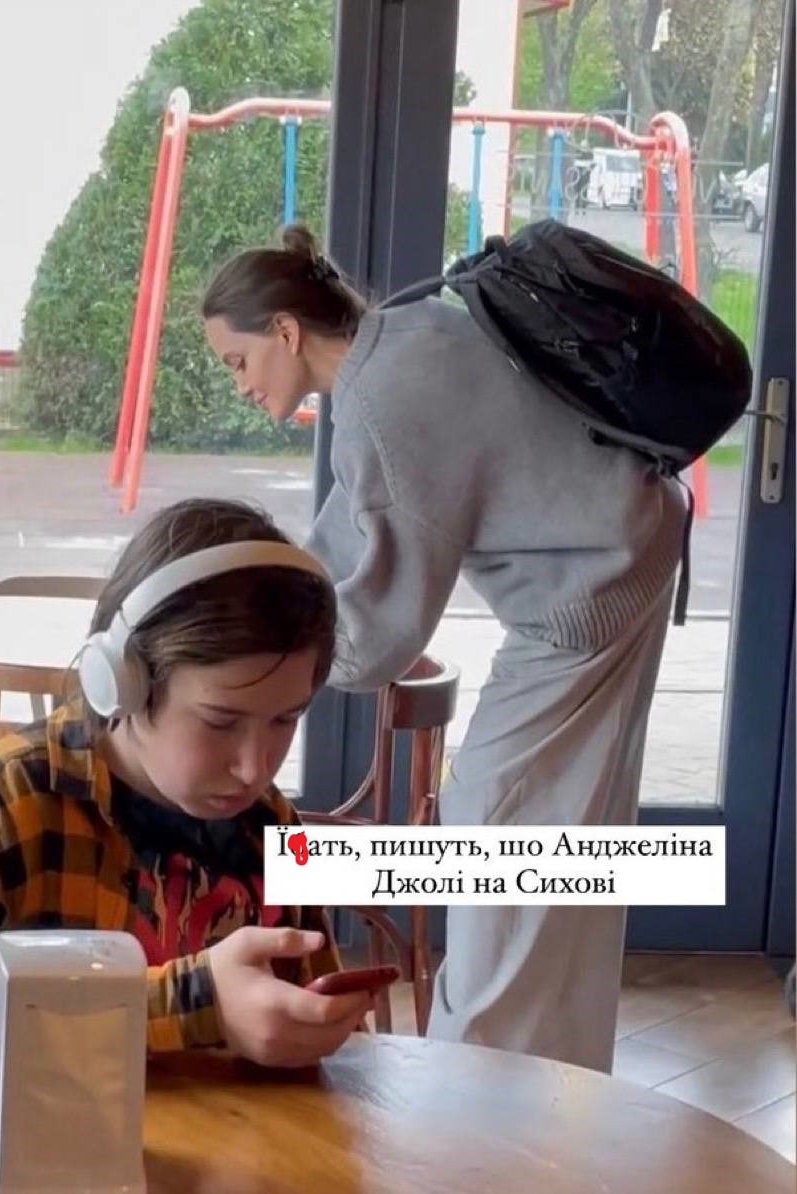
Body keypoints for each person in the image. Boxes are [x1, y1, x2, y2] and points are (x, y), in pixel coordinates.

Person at [201, 225, 688, 1074]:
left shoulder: (381, 406)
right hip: (625, 546)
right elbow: (350, 529)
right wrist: (276, 591)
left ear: (285, 330)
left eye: (238, 360)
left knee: (500, 833)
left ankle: (479, 1091)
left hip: (591, 588)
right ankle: (555, 1080)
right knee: (557, 847)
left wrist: (270, 664)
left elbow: (379, 639)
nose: (239, 383)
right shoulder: (402, 334)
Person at [0, 498, 371, 1091]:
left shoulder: (268, 821)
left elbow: (313, 1000)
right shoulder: (5, 806)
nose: (254, 768)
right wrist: (190, 1004)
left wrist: (312, 1024)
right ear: (123, 683)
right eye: (220, 721)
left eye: (285, 720)